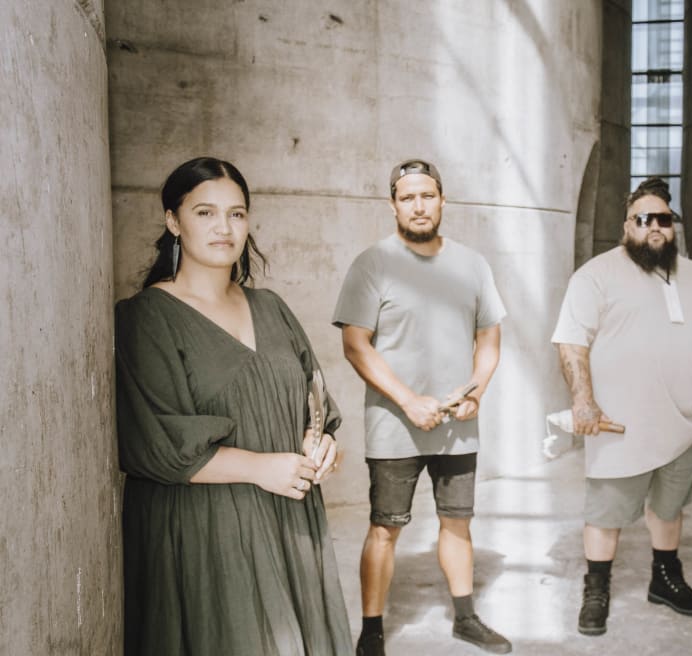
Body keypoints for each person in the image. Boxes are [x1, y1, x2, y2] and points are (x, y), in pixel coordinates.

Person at [115, 157, 353, 655]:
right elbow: (153, 442)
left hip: (288, 516)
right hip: (206, 528)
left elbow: (314, 400)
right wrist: (260, 467)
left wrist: (324, 443)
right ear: (173, 221)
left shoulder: (271, 306)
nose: (224, 227)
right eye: (205, 213)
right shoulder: (148, 318)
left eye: (237, 214)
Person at [333, 159, 511, 655]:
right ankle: (371, 631)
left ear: (442, 201)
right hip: (395, 426)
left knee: (458, 521)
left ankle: (466, 617)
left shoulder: (473, 264)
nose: (418, 205)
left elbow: (490, 339)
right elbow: (356, 344)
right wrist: (409, 402)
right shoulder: (373, 263)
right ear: (393, 204)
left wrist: (476, 390)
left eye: (427, 196)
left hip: (457, 427)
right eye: (407, 197)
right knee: (385, 527)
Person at [551, 177, 692, 636]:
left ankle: (664, 578)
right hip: (620, 427)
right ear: (626, 227)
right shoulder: (596, 275)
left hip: (685, 426)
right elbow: (572, 342)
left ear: (673, 226)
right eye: (644, 219)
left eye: (664, 219)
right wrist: (584, 402)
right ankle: (596, 588)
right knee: (606, 513)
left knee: (670, 508)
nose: (655, 226)